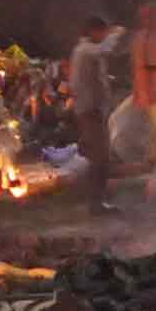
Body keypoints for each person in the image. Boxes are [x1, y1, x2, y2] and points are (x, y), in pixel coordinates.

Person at [68, 15, 124, 213]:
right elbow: (104, 49)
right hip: (90, 111)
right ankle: (95, 203)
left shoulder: (86, 51)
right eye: (103, 31)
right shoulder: (85, 50)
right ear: (93, 31)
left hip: (94, 110)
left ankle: (97, 201)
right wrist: (116, 34)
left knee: (99, 157)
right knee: (100, 158)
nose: (104, 35)